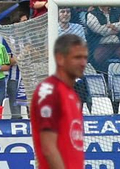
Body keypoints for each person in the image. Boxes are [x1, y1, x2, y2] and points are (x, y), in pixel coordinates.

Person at [31, 31, 87, 169]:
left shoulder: (73, 94)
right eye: (77, 58)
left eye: (85, 58)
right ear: (61, 59)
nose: (83, 63)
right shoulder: (49, 92)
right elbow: (48, 147)